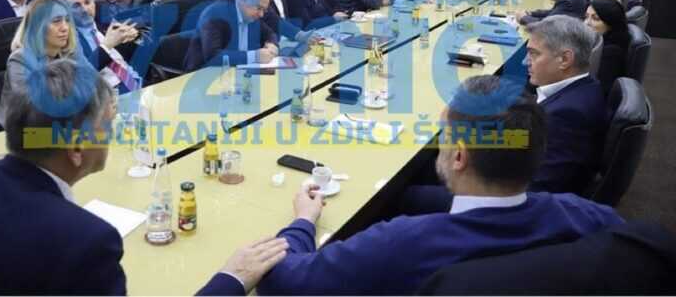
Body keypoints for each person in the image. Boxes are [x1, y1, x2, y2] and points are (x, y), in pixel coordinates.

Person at [0, 59, 288, 295]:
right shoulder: (84, 242)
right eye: (108, 125)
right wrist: (231, 279)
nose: (113, 135)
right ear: (76, 150)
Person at [256, 75, 623, 295]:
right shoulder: (591, 216)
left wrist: (303, 222)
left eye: (443, 136)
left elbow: (282, 282)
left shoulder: (399, 243)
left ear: (459, 156)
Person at [525, 16, 610, 193]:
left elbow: (538, 186)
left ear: (565, 59)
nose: (526, 61)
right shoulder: (586, 85)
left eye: (534, 54)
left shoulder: (567, 116)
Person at [0, 0, 81, 134]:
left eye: (67, 20)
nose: (65, 27)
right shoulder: (20, 59)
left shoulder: (66, 56)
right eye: (56, 21)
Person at [61, 0, 147, 95]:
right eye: (76, 6)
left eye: (87, 2)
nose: (84, 9)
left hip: (135, 82)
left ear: (94, 4)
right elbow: (83, 76)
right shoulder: (66, 39)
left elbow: (125, 56)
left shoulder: (104, 25)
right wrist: (106, 46)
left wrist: (136, 37)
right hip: (110, 95)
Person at [184, 0, 279, 71]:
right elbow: (213, 57)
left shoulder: (251, 15)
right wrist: (254, 56)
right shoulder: (215, 14)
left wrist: (271, 44)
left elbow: (270, 34)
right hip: (203, 74)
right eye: (259, 8)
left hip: (236, 71)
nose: (261, 14)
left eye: (264, 10)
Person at [585, 0, 631, 96]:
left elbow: (600, 91)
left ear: (611, 23)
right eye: (586, 16)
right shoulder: (602, 43)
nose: (586, 23)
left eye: (595, 18)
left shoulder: (611, 53)